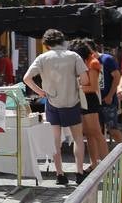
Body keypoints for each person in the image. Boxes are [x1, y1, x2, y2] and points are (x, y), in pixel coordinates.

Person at [23, 29, 87, 185]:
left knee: (55, 140)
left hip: (52, 102)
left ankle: (60, 174)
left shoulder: (42, 58)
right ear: (62, 40)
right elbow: (85, 80)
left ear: (45, 43)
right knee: (78, 139)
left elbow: (27, 78)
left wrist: (41, 92)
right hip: (72, 101)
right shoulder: (73, 56)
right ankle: (79, 173)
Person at [73, 41, 108, 171]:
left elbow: (93, 87)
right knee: (88, 134)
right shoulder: (85, 62)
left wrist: (76, 87)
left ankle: (106, 164)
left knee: (96, 133)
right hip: (83, 99)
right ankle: (94, 163)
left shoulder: (93, 63)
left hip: (90, 100)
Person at [97, 43, 122, 147]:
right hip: (95, 100)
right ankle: (101, 158)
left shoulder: (107, 59)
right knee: (97, 130)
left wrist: (110, 95)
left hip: (108, 100)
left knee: (113, 130)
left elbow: (117, 76)